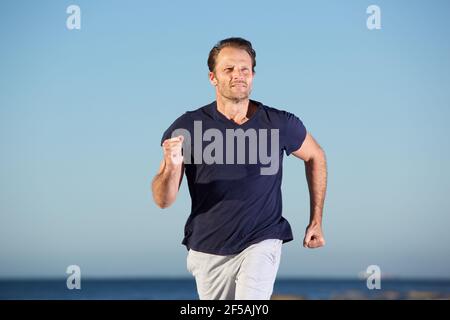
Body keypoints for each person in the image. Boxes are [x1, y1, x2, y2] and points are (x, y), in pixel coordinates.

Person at [151, 37, 327, 300]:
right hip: (208, 248)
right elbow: (163, 201)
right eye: (229, 69)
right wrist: (172, 166)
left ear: (253, 75)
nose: (238, 75)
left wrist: (316, 220)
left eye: (245, 69)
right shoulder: (187, 127)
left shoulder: (280, 123)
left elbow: (316, 156)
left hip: (262, 237)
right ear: (213, 77)